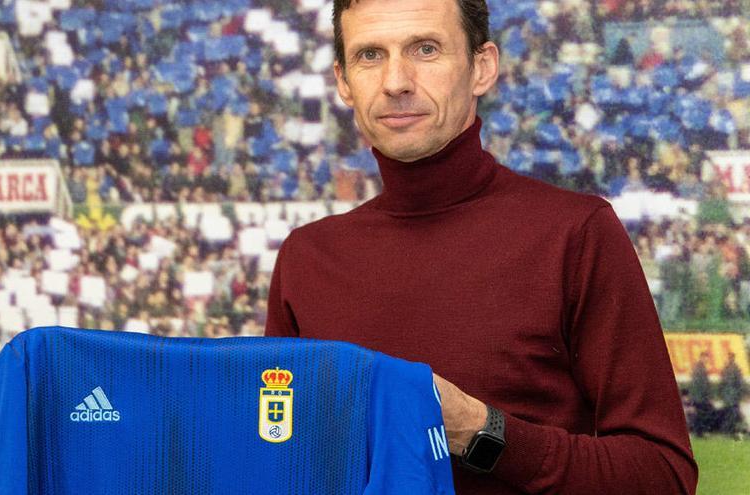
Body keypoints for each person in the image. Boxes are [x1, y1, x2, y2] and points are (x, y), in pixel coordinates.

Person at [264, 0, 698, 492]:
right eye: (370, 55)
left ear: (482, 67)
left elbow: (665, 475)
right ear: (343, 81)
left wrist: (480, 431)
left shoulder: (576, 233)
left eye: (425, 49)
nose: (395, 82)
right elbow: (280, 463)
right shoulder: (307, 258)